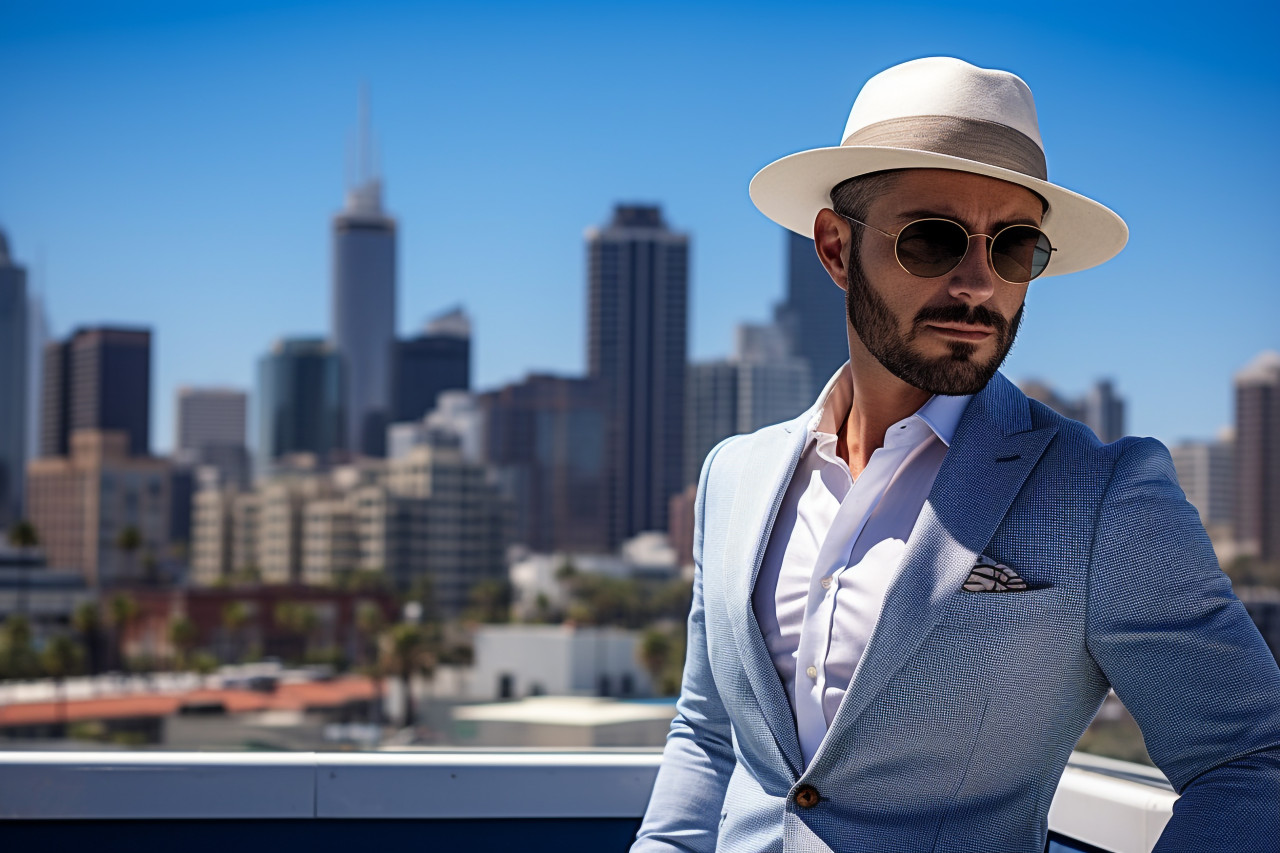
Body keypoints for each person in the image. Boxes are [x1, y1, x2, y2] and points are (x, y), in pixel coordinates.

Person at [632, 57, 1280, 853]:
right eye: (932, 239)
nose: (978, 283)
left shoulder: (1103, 495)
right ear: (835, 249)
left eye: (1013, 248)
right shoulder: (735, 476)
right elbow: (706, 735)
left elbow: (1252, 760)